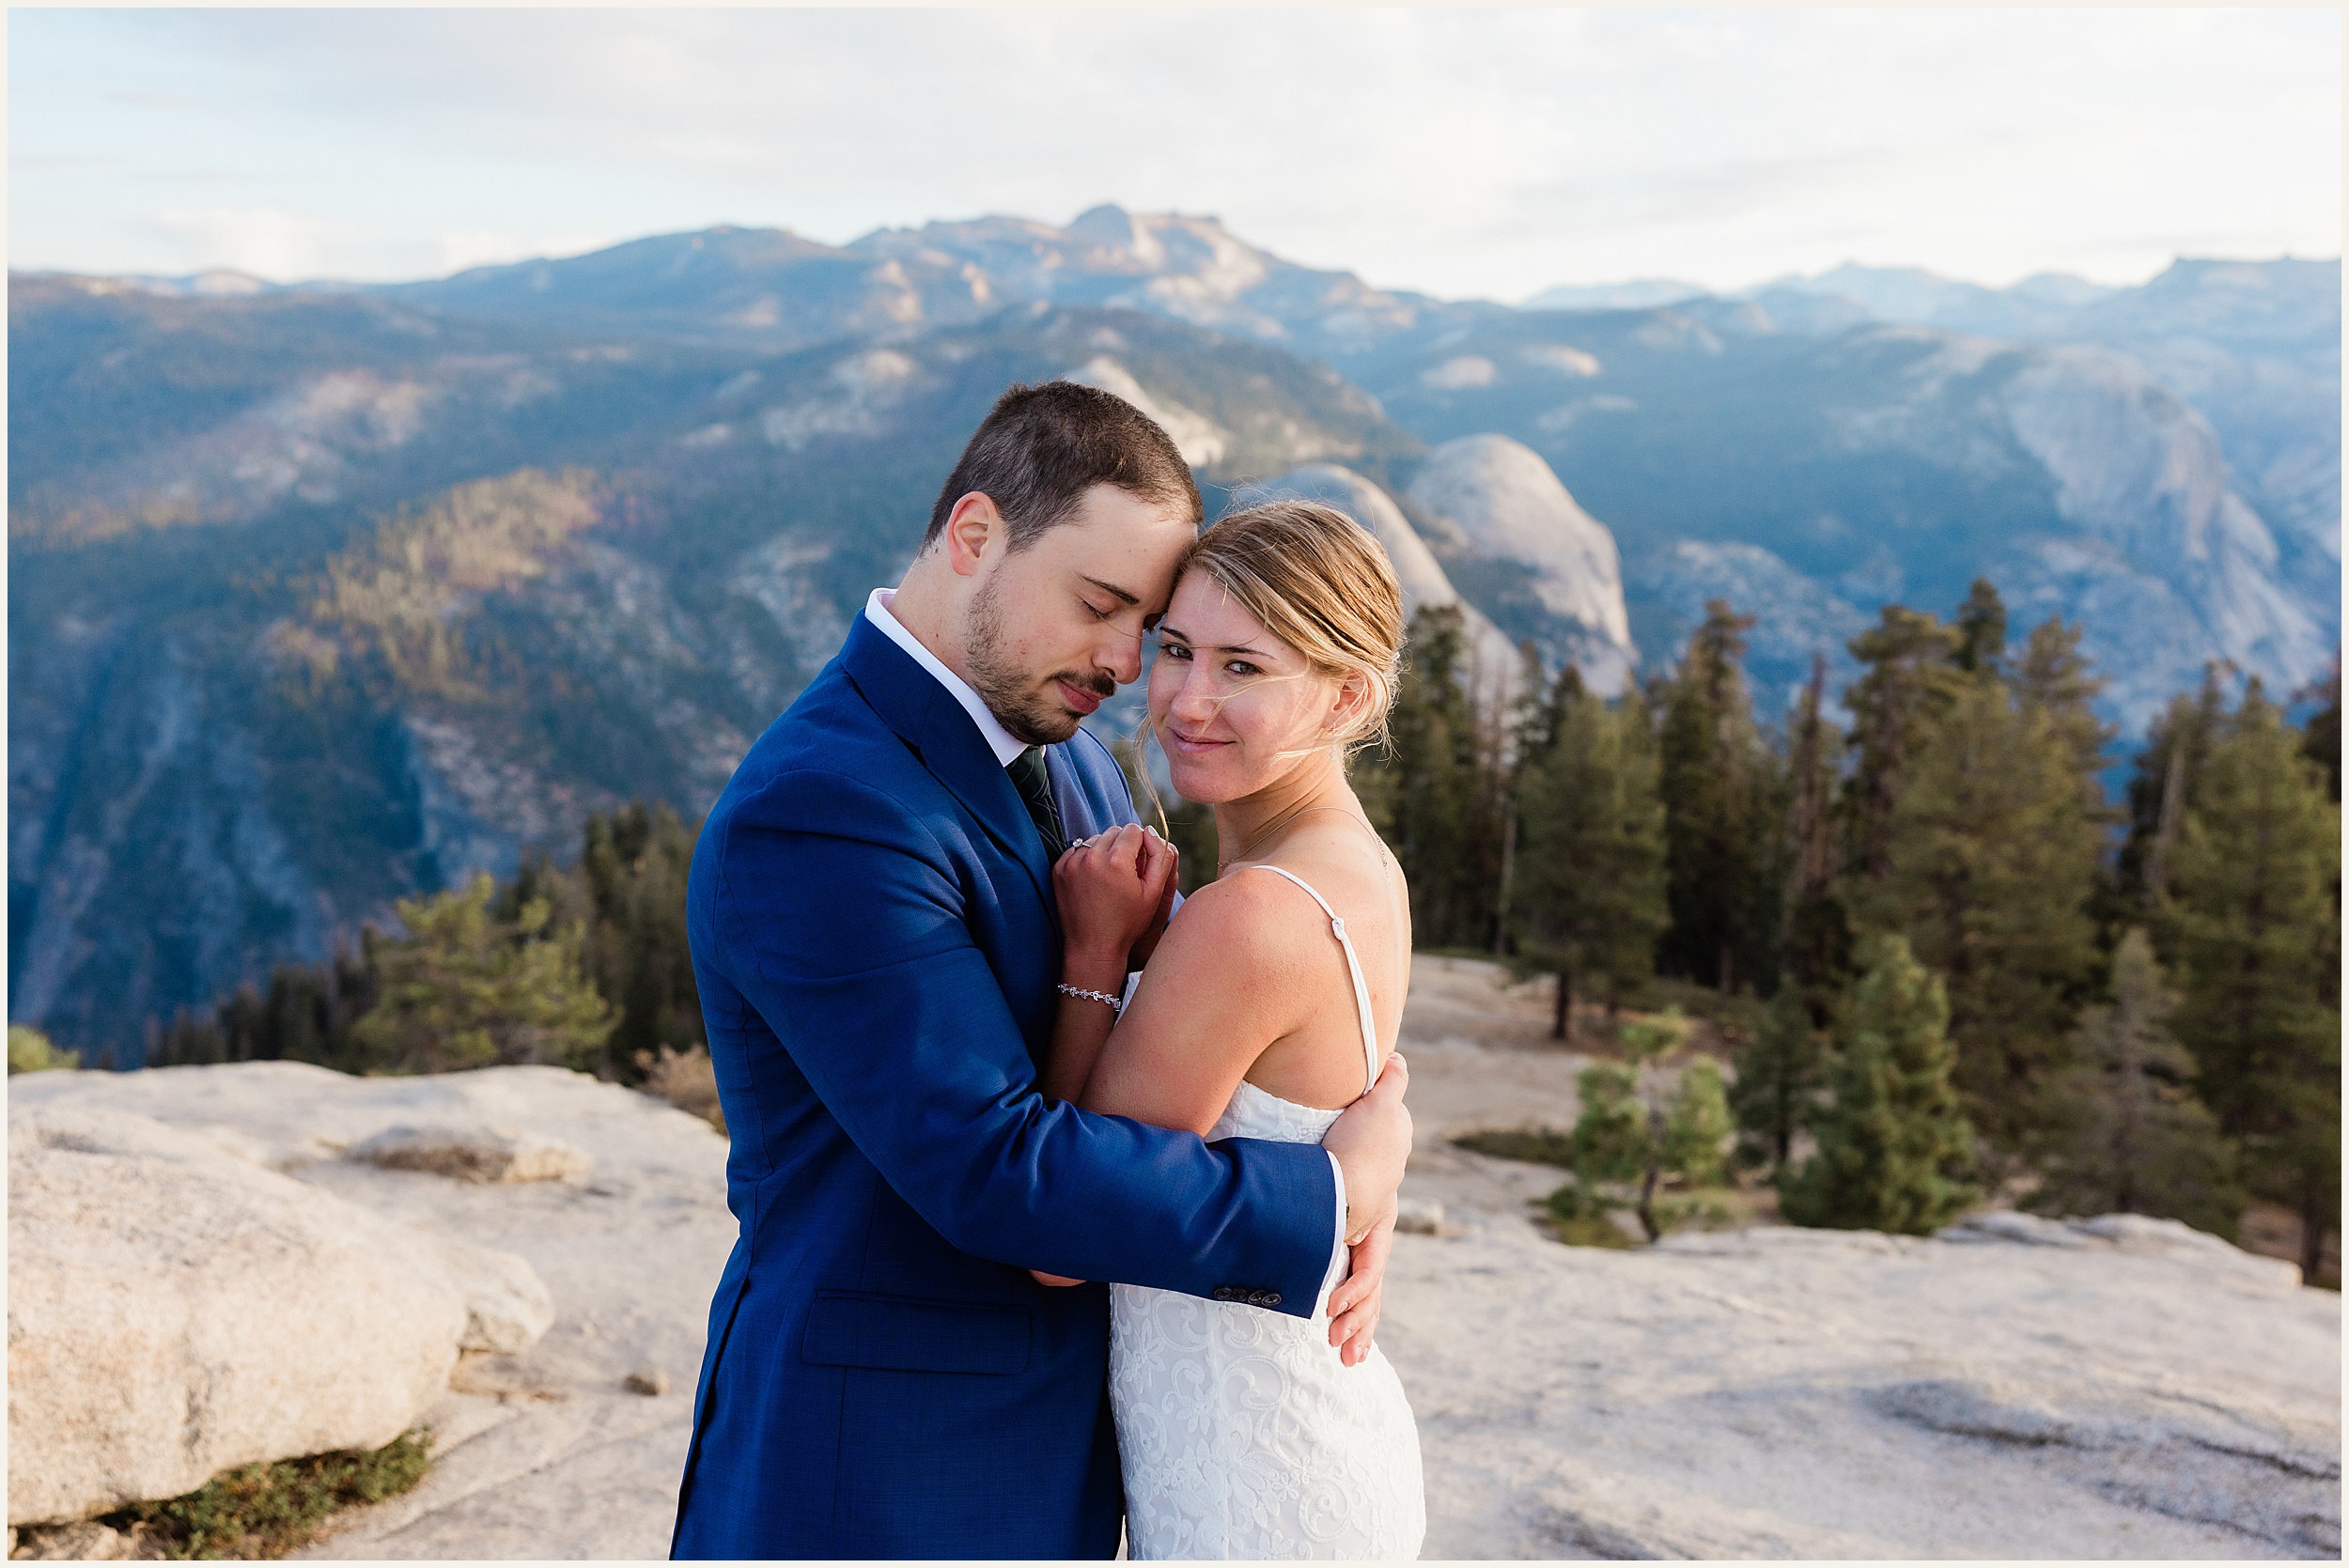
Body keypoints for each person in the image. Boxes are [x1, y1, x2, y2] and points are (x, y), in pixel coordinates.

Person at [668, 382, 1413, 1560]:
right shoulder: (825, 808)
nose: (1129, 665)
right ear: (975, 537)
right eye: (1104, 606)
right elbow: (994, 1165)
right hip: (883, 1469)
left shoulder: (1073, 764)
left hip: (1076, 1458)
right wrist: (1325, 1197)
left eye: (1147, 623)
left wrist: (1345, 1129)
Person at [1035, 500, 1426, 1559]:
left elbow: (1065, 1237)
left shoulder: (1250, 914)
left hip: (1251, 1484)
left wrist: (1090, 957)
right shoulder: (1360, 868)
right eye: (1175, 650)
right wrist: (1359, 1177)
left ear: (1345, 694)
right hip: (1298, 1441)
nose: (1186, 701)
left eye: (1244, 668)